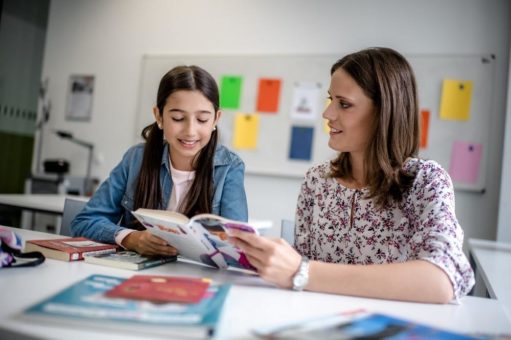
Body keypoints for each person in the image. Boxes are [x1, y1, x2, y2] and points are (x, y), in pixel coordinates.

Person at [229, 47, 475, 304]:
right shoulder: (316, 181)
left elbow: (441, 280)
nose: (328, 114)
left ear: (384, 112)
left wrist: (303, 271)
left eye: (344, 104)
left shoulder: (425, 181)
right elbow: (298, 277)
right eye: (330, 100)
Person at [72, 65, 248, 256]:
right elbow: (85, 221)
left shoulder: (229, 168)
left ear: (215, 119)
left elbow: (238, 246)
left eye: (202, 120)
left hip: (196, 279)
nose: (190, 131)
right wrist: (132, 238)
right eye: (178, 118)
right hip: (138, 276)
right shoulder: (136, 159)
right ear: (159, 116)